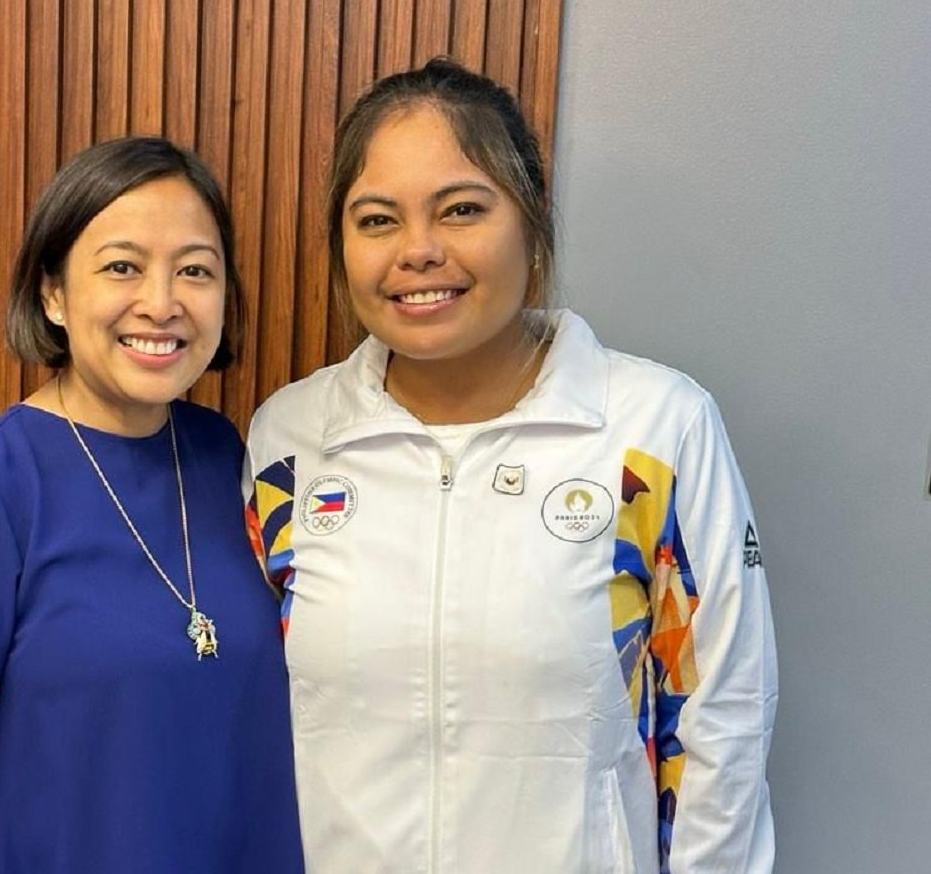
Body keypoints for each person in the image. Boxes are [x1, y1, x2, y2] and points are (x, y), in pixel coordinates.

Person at [245, 58, 777, 873]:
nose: (418, 252)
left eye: (461, 209)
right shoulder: (289, 443)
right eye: (377, 219)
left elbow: (721, 721)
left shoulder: (655, 430)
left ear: (530, 223)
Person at [0, 137, 304, 873]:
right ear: (53, 294)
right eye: (122, 267)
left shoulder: (225, 457)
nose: (162, 302)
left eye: (195, 270)